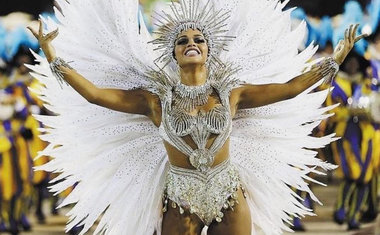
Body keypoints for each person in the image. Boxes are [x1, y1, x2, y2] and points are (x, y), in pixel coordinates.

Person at [27, 0, 365, 234]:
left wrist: (334, 60)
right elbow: (95, 94)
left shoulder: (231, 93)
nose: (192, 42)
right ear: (173, 53)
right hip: (180, 198)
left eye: (199, 39)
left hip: (229, 192)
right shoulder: (155, 100)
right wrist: (52, 54)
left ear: (208, 50)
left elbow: (290, 87)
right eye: (183, 40)